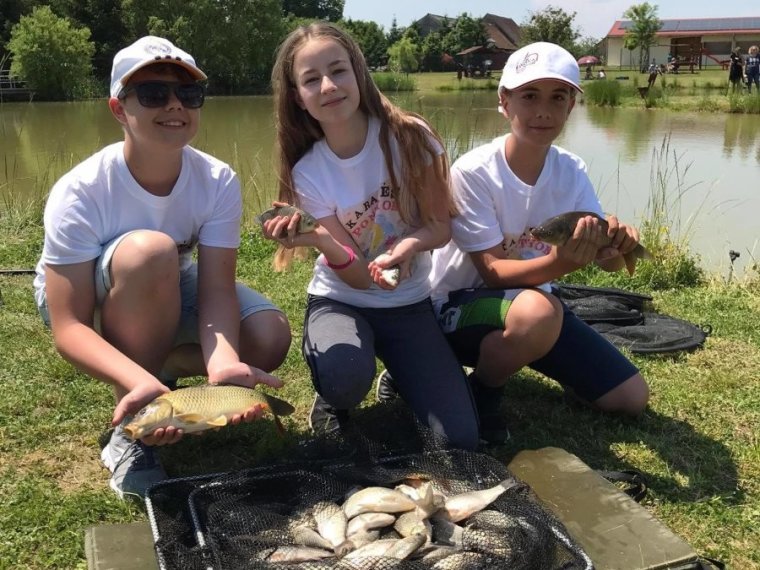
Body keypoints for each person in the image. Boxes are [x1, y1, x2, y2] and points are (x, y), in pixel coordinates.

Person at [32, 36, 292, 499]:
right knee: (151, 252)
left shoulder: (217, 180)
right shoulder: (81, 190)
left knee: (268, 336)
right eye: (153, 93)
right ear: (118, 108)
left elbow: (216, 288)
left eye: (188, 94)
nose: (175, 105)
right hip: (82, 293)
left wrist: (224, 362)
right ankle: (131, 426)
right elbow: (68, 326)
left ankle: (160, 373)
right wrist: (136, 381)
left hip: (167, 281)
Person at [262, 22, 479, 450]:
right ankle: (334, 400)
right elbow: (359, 278)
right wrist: (321, 240)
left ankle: (398, 370)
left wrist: (406, 247)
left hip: (409, 301)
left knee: (460, 441)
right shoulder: (309, 172)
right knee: (344, 375)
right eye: (311, 79)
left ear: (358, 73)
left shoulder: (411, 137)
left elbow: (439, 225)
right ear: (298, 99)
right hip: (342, 298)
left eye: (338, 70)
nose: (328, 86)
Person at [427, 42, 650, 443]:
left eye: (557, 97)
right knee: (539, 312)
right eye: (529, 96)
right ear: (504, 101)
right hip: (457, 306)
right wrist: (563, 263)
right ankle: (481, 391)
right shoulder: (474, 171)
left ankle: (526, 352)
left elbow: (608, 264)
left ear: (571, 107)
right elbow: (493, 273)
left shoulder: (572, 170)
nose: (543, 110)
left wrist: (616, 246)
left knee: (630, 397)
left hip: (534, 309)